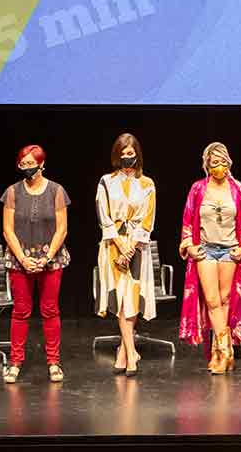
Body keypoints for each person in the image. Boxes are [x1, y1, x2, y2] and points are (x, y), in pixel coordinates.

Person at [178, 142, 241, 373]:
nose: (219, 167)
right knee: (212, 301)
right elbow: (187, 219)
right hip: (205, 250)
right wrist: (189, 246)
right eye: (214, 163)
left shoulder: (238, 189)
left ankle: (218, 354)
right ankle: (227, 349)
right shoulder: (198, 188)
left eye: (223, 162)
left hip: (229, 250)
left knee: (224, 301)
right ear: (207, 165)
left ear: (229, 163)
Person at [1, 145, 71, 384]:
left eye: (31, 163)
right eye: (23, 164)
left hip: (50, 260)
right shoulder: (12, 192)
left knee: (50, 310)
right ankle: (15, 362)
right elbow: (7, 229)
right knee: (21, 311)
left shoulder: (56, 190)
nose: (27, 167)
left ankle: (53, 362)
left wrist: (47, 257)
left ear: (42, 163)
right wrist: (22, 258)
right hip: (20, 260)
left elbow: (62, 228)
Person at [95, 133, 157, 376]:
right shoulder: (106, 181)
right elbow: (103, 215)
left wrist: (131, 248)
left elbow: (149, 218)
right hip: (112, 246)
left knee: (130, 300)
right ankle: (131, 354)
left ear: (137, 155)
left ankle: (125, 351)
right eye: (122, 154)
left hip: (138, 247)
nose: (126, 158)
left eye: (130, 154)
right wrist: (120, 246)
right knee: (121, 301)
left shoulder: (148, 183)